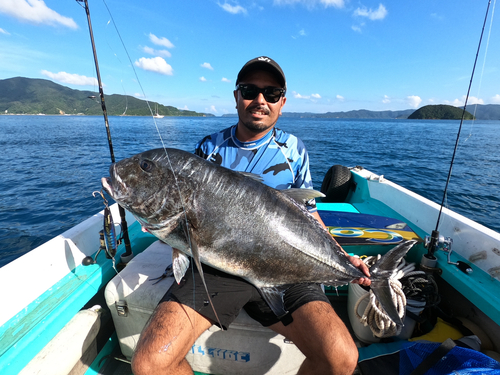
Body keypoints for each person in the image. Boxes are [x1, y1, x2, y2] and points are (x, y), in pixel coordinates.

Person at [131, 56, 371, 375]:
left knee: (341, 358)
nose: (259, 100)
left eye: (271, 94)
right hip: (217, 267)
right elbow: (188, 210)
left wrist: (343, 259)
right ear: (236, 96)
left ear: (281, 103)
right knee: (150, 364)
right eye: (250, 90)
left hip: (284, 262)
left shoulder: (294, 150)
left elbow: (309, 217)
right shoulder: (210, 147)